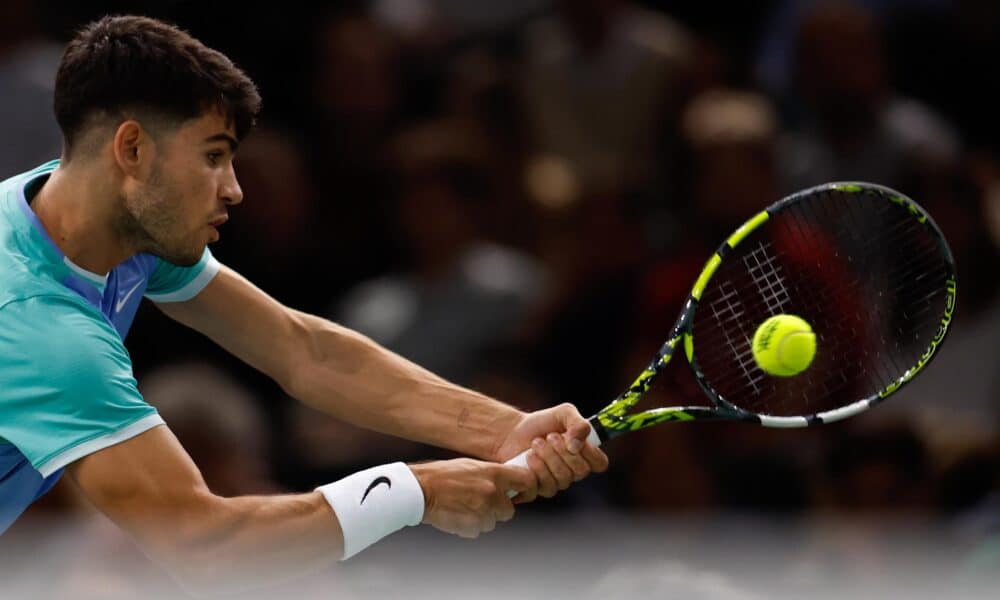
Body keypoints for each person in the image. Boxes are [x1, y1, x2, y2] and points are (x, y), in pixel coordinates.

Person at [0, 15, 608, 594]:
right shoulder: (40, 327)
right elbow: (205, 547)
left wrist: (504, 431)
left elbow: (304, 350)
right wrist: (413, 491)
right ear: (132, 151)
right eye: (213, 156)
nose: (235, 187)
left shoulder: (92, 214)